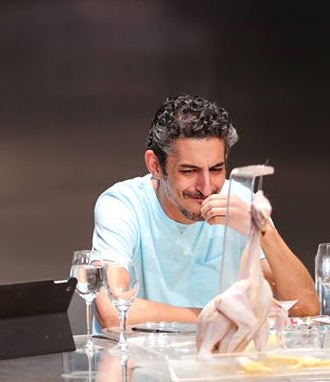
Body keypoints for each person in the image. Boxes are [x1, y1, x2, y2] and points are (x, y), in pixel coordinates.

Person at [92, 95, 318, 329]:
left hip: (220, 351)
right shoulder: (122, 204)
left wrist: (263, 230)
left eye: (216, 169)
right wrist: (222, 317)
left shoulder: (240, 201)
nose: (207, 188)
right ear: (155, 166)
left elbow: (305, 309)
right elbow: (112, 310)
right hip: (142, 353)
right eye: (189, 171)